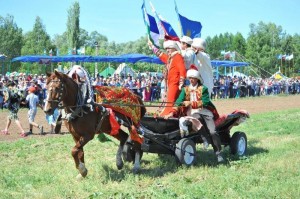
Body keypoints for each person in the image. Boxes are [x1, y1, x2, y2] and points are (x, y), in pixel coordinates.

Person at [165, 66, 224, 163]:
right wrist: (172, 113)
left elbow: (205, 102)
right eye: (190, 78)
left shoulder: (203, 88)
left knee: (213, 132)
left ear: (197, 78)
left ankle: (218, 153)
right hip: (192, 113)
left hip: (205, 112)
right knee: (195, 118)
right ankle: (205, 138)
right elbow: (179, 102)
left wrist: (191, 103)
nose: (191, 80)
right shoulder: (185, 90)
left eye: (193, 78)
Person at [148, 39, 186, 116]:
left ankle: (166, 115)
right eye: (166, 49)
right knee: (171, 101)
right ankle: (174, 114)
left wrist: (181, 82)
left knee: (170, 101)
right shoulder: (170, 58)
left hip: (175, 83)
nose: (167, 50)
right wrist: (152, 46)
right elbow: (161, 55)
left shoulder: (178, 56)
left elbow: (182, 69)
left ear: (174, 48)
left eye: (169, 48)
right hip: (170, 83)